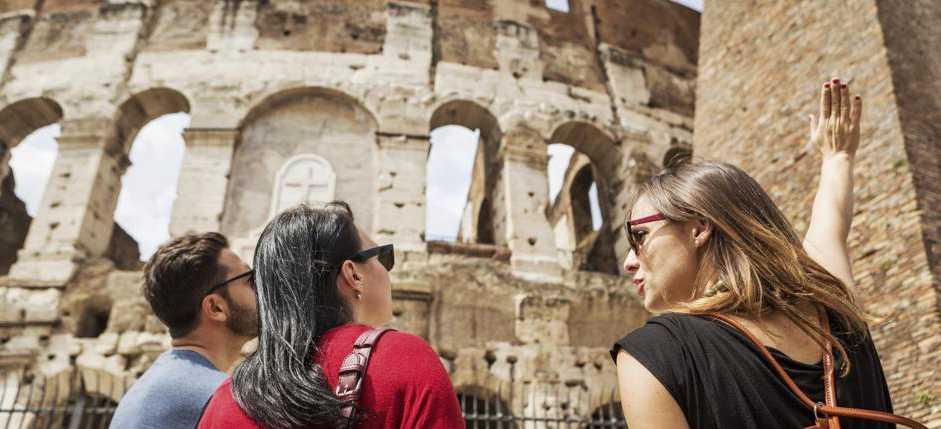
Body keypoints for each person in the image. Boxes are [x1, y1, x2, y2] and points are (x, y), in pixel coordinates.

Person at [612, 79, 895, 428]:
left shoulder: (656, 354)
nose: (628, 260)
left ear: (698, 228)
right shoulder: (833, 306)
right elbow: (831, 225)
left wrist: (837, 158)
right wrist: (837, 156)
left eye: (639, 235)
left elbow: (830, 226)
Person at [198, 203, 464, 429]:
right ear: (353, 275)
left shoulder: (225, 399)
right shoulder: (405, 359)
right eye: (382, 257)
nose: (387, 271)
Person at [110, 232, 258, 429]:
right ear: (216, 308)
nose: (261, 289)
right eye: (250, 280)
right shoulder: (220, 398)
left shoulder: (146, 389)